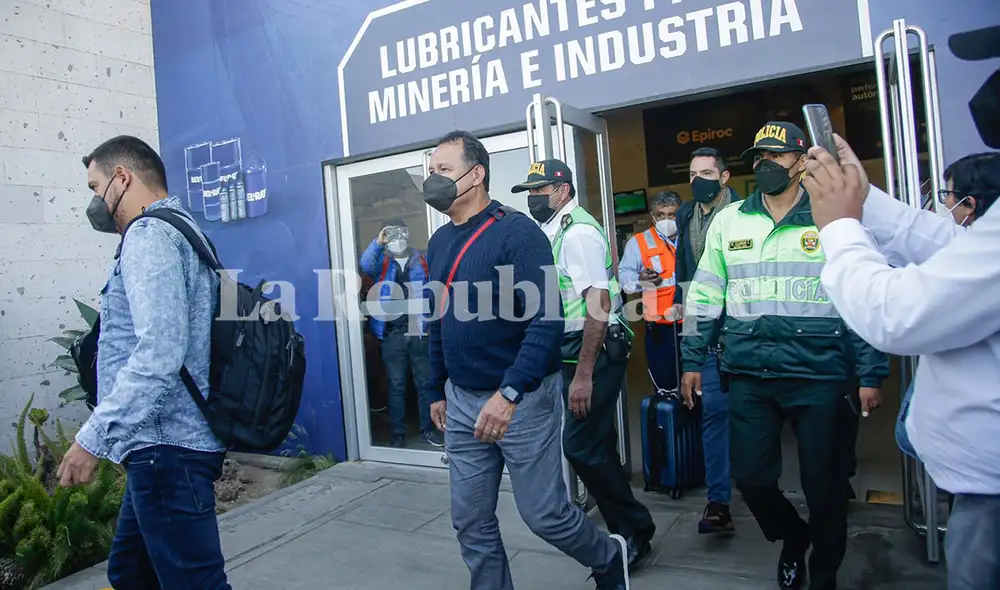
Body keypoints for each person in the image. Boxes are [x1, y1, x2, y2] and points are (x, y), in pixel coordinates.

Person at [679, 122, 889, 590]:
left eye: (776, 156)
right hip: (751, 372)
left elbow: (862, 295)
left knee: (825, 488)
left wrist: (870, 371)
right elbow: (706, 295)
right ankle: (794, 537)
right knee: (751, 479)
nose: (765, 165)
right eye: (759, 157)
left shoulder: (831, 218)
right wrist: (692, 360)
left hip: (818, 374)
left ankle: (825, 576)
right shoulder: (730, 220)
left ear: (802, 163)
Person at [424, 131, 630, 590]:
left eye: (442, 170)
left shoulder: (518, 233)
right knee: (470, 522)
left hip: (522, 401)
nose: (431, 179)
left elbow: (547, 320)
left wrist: (510, 392)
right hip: (460, 403)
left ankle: (607, 555)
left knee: (545, 516)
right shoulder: (438, 243)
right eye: (430, 170)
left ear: (475, 175)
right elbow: (437, 318)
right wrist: (435, 387)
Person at [806, 139, 1000, 590]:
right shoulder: (977, 241)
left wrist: (839, 226)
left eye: (946, 199)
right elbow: (947, 244)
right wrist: (864, 195)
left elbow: (894, 314)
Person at [55, 136, 230, 589]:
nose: (95, 201)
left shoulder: (150, 235)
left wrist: (93, 440)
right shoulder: (185, 228)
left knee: (194, 583)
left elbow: (159, 354)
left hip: (165, 447)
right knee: (130, 574)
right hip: (163, 446)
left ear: (122, 178)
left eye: (96, 187)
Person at [515, 158, 657, 569]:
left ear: (562, 190)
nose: (534, 198)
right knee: (596, 443)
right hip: (573, 349)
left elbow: (599, 305)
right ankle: (624, 522)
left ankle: (634, 530)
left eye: (540, 190)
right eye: (530, 192)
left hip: (593, 350)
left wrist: (583, 376)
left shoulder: (578, 233)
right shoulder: (555, 229)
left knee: (578, 446)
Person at [674, 147, 743, 534]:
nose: (698, 179)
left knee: (751, 418)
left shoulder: (745, 215)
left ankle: (756, 483)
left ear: (724, 177)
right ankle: (718, 502)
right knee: (713, 414)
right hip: (705, 333)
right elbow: (688, 279)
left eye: (706, 172)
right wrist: (691, 354)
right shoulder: (686, 214)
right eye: (692, 172)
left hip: (745, 334)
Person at [360, 218, 442, 448]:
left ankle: (429, 430)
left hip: (419, 331)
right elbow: (365, 266)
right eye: (391, 234)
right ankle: (398, 433)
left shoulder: (422, 260)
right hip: (392, 334)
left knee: (425, 384)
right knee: (396, 386)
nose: (398, 238)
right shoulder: (382, 263)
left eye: (401, 233)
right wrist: (378, 242)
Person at [619, 191, 683, 392]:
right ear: (652, 216)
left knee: (698, 388)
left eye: (671, 214)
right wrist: (641, 281)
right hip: (659, 328)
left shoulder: (692, 238)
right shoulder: (639, 242)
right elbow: (624, 279)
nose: (666, 219)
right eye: (660, 214)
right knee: (666, 390)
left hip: (692, 324)